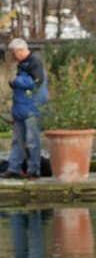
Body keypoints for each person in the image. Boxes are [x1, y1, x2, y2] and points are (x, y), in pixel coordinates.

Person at [5, 38, 47, 179]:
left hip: (32, 108)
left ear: (21, 51)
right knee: (17, 140)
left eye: (14, 53)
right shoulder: (21, 64)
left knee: (32, 141)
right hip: (20, 109)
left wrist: (15, 81)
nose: (13, 56)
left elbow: (35, 82)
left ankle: (34, 169)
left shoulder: (35, 62)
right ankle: (14, 168)